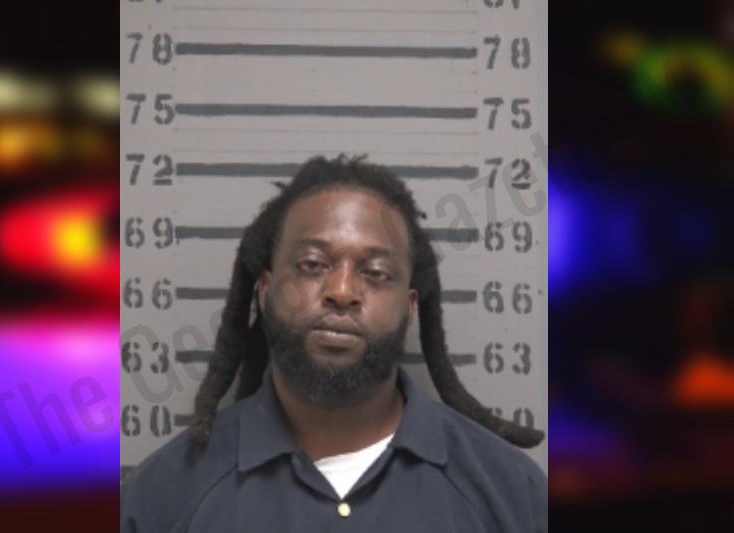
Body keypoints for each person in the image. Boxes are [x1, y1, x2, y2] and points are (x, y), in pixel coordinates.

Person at [120, 155, 547, 532]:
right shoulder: (163, 496)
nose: (342, 291)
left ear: (409, 306)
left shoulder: (514, 494)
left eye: (375, 272)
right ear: (265, 292)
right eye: (312, 264)